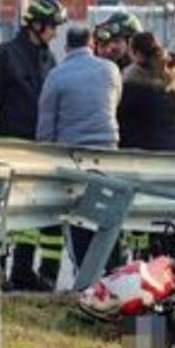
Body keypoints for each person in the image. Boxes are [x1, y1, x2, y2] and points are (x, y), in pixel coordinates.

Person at [0, 0, 66, 292]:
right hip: (7, 145)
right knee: (5, 212)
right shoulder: (5, 54)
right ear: (36, 24)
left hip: (37, 146)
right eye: (51, 26)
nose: (54, 33)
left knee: (29, 212)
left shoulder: (48, 58)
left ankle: (23, 269)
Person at [36, 26, 121, 271]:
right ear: (92, 43)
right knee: (107, 210)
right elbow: (115, 103)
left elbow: (46, 121)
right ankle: (110, 266)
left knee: (78, 214)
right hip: (107, 151)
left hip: (72, 154)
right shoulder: (110, 70)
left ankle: (84, 269)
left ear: (66, 47)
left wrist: (45, 157)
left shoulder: (57, 75)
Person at [118, 32, 175, 153]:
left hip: (139, 155)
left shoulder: (130, 84)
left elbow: (120, 120)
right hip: (174, 151)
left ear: (136, 53)